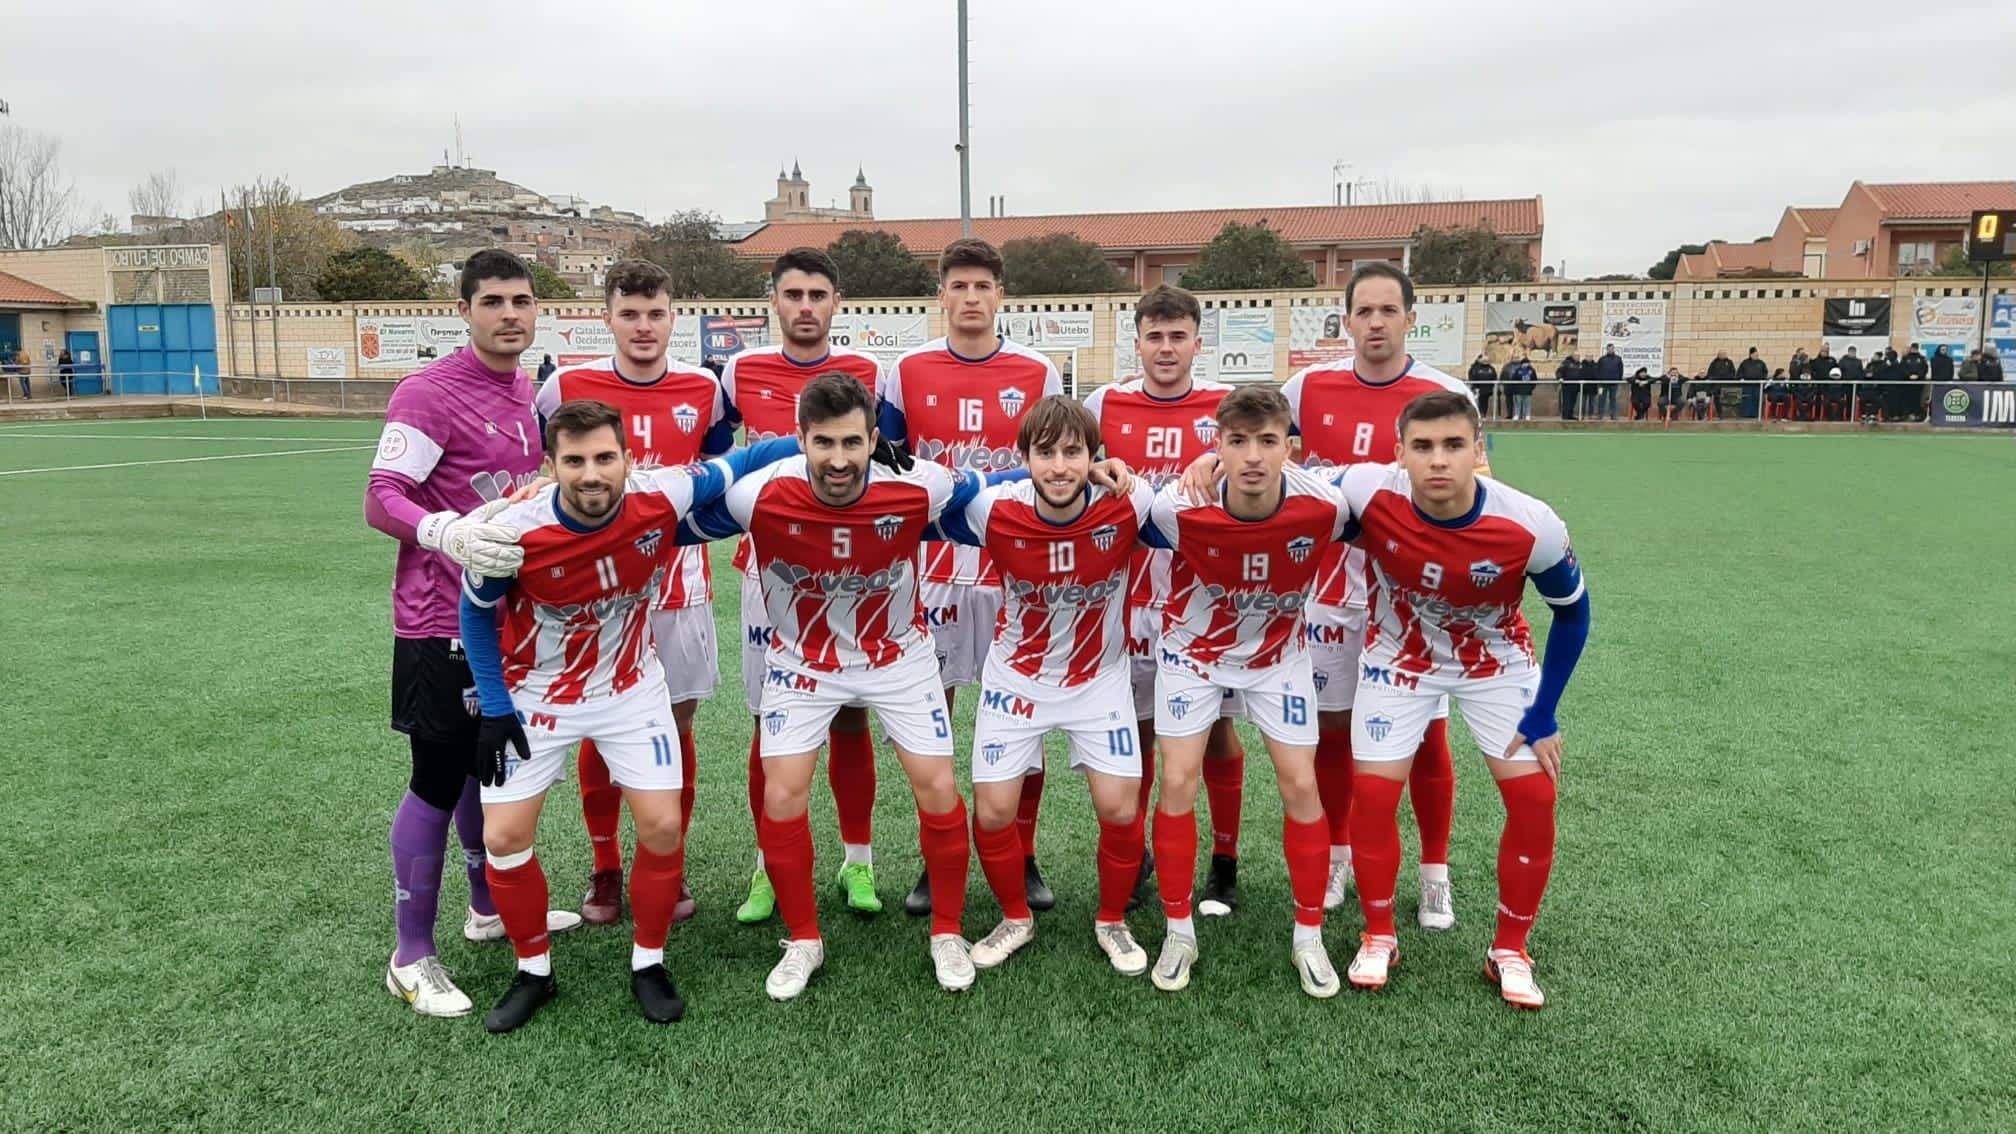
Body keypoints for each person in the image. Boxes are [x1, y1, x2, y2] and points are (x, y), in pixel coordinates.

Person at [677, 373, 1108, 999]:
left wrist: (1089, 470)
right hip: (803, 662)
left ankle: (947, 931)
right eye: (823, 443)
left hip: (899, 659)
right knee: (782, 797)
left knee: (937, 789)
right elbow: (662, 511)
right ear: (800, 441)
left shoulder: (915, 484)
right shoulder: (758, 494)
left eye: (853, 442)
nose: (839, 459)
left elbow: (995, 484)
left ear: (875, 439)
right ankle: (803, 940)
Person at [457, 402, 796, 1032]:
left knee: (663, 828)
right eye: (575, 461)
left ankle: (649, 960)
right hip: (537, 694)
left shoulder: (659, 497)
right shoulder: (514, 531)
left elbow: (745, 459)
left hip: (631, 688)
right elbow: (474, 614)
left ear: (629, 460)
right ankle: (534, 970)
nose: (592, 474)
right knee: (503, 838)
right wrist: (497, 709)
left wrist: (822, 448)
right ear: (550, 466)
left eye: (605, 458)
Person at [362, 249, 579, 1019]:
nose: (510, 314)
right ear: (465, 309)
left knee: (481, 766)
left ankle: (486, 907)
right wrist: (442, 530)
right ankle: (410, 954)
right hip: (434, 621)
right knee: (437, 771)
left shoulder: (527, 389)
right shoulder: (428, 393)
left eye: (522, 300)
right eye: (493, 301)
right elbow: (381, 497)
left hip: (499, 621)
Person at [1337, 390, 1590, 1010]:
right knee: (1371, 796)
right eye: (1422, 447)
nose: (1438, 461)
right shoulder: (1368, 492)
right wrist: (1208, 467)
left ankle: (1510, 949)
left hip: (1495, 666)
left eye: (1454, 445)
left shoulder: (1530, 523)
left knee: (1535, 797)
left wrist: (1545, 711)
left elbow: (1574, 615)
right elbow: (1285, 489)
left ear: (1480, 450)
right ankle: (1377, 935)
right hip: (1398, 660)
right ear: (1399, 453)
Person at [534, 260, 735, 926]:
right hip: (596, 595)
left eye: (655, 313)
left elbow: (714, 474)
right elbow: (545, 472)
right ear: (607, 317)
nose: (643, 327)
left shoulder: (703, 389)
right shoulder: (567, 385)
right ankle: (604, 869)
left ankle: (667, 867)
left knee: (675, 728)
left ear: (673, 316)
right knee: (599, 721)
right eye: (630, 313)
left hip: (678, 588)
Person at [1277, 262, 1476, 925]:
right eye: (1364, 311)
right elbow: (1266, 453)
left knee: (1426, 737)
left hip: (1412, 593)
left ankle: (1435, 872)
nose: (1376, 323)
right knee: (1332, 731)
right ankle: (1336, 856)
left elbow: (1476, 487)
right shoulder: (1306, 388)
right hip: (1328, 587)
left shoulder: (1444, 391)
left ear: (1411, 320)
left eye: (1389, 311)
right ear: (1347, 321)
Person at [930, 395, 1154, 975]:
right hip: (1017, 679)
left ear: (1095, 457)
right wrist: (1012, 471)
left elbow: (1201, 492)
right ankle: (1015, 918)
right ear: (1025, 458)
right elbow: (934, 486)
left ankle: (1113, 921)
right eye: (1045, 453)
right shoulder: (994, 509)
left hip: (1098, 680)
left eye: (1073, 453)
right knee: (995, 812)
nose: (1059, 467)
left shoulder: (1129, 503)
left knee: (1121, 810)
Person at [1146, 385, 1352, 998]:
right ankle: (1179, 931)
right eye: (1237, 442)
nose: (1254, 457)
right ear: (1218, 446)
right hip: (1194, 654)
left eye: (1268, 441)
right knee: (1178, 779)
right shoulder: (1177, 506)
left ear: (1291, 447)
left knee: (1300, 783)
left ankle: (1308, 936)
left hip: (1278, 658)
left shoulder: (1329, 506)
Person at [880, 238, 1063, 917]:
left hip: (1015, 568)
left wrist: (977, 483)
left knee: (1024, 715)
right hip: (930, 572)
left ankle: (1026, 854)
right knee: (936, 722)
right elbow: (896, 469)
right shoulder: (905, 370)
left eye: (983, 285)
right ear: (942, 294)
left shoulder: (1038, 370)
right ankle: (939, 859)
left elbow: (1053, 463)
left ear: (1000, 294)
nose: (971, 298)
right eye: (958, 285)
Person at [720, 247, 889, 924]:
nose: (805, 307)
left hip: (852, 573)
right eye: (793, 295)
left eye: (818, 294)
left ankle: (859, 862)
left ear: (836, 302)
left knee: (852, 714)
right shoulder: (739, 371)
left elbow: (895, 456)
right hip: (769, 574)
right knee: (770, 722)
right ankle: (768, 865)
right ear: (775, 302)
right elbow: (714, 460)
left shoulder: (873, 374)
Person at [1083, 285, 1246, 915]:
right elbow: (1079, 468)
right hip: (1126, 593)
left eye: (1179, 336)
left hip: (1207, 596)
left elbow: (1266, 463)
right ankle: (1143, 855)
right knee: (1142, 730)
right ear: (1138, 342)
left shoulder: (1223, 411)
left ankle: (1225, 862)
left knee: (1219, 734)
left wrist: (1220, 457)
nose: (1167, 348)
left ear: (1198, 343)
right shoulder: (1106, 403)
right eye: (1155, 336)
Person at [1900, 344, 1930, 422]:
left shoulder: (1922, 358)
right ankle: (1908, 414)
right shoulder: (1905, 358)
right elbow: (1902, 368)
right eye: (1912, 348)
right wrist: (1909, 375)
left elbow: (1924, 369)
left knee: (1917, 398)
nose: (1913, 350)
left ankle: (1917, 414)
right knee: (1908, 398)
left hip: (1918, 382)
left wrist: (1918, 376)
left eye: (1915, 348)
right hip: (1907, 382)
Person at [1736, 348, 1768, 419]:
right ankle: (1746, 414)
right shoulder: (1745, 363)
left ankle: (1756, 414)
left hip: (1757, 385)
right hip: (1747, 385)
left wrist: (1762, 379)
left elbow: (1765, 373)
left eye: (1757, 354)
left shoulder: (1761, 363)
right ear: (1750, 355)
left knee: (1756, 399)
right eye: (1754, 354)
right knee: (1747, 399)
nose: (1756, 356)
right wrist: (1741, 378)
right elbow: (1740, 373)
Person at [1593, 345, 1623, 420]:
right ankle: (1600, 415)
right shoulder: (1602, 359)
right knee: (1601, 399)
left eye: (1612, 349)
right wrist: (1599, 380)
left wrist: (1618, 380)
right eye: (1609, 349)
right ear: (1607, 349)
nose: (1610, 350)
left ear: (1613, 349)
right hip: (1602, 384)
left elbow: (1621, 370)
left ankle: (1613, 415)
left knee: (1613, 399)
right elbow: (1597, 370)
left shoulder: (1618, 359)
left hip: (1614, 384)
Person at [1503, 353, 1536, 421]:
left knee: (1527, 403)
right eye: (1525, 363)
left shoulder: (1531, 370)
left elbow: (1534, 379)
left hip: (1527, 390)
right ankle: (1517, 415)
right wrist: (1515, 388)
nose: (1526, 364)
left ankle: (1527, 415)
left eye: (1527, 363)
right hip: (1518, 390)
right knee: (1518, 403)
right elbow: (1514, 379)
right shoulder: (1518, 370)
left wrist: (1531, 387)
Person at [1467, 354, 1497, 419]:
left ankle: (1483, 414)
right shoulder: (1475, 368)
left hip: (1487, 389)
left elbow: (1494, 377)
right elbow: (1472, 377)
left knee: (1485, 402)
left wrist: (1491, 387)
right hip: (1478, 389)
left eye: (1487, 360)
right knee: (1477, 402)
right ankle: (1477, 415)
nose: (1485, 361)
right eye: (1484, 360)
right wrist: (1475, 387)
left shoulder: (1491, 368)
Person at [1554, 354, 1580, 421]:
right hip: (1567, 386)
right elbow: (1559, 371)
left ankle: (1570, 415)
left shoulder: (1579, 364)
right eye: (1577, 356)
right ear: (1573, 356)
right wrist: (1560, 378)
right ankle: (1565, 416)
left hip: (1576, 387)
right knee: (1566, 402)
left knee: (1573, 402)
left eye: (1579, 356)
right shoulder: (1566, 363)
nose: (1578, 357)